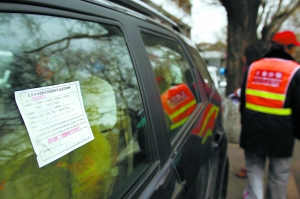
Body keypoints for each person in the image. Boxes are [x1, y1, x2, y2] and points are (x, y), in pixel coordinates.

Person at [239, 30, 300, 199]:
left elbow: (243, 100)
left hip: (252, 127)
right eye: (293, 47)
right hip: (282, 131)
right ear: (287, 48)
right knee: (279, 174)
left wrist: (245, 122)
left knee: (254, 169)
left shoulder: (254, 66)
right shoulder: (295, 71)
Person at [235, 44, 263, 178]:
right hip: (264, 115)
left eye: (244, 55)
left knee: (253, 148)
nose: (242, 57)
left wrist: (239, 93)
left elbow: (247, 91)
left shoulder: (251, 70)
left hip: (252, 115)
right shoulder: (259, 69)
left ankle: (250, 168)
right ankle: (249, 167)